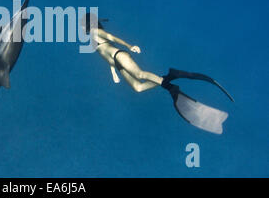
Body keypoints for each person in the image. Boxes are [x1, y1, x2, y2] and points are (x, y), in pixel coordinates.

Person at [81, 13, 234, 134]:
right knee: (138, 88)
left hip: (120, 56)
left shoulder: (95, 31)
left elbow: (111, 38)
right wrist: (113, 72)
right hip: (116, 63)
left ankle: (168, 85)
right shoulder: (92, 39)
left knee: (140, 75)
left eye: (82, 25)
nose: (81, 28)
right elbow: (105, 52)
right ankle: (169, 76)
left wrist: (130, 45)